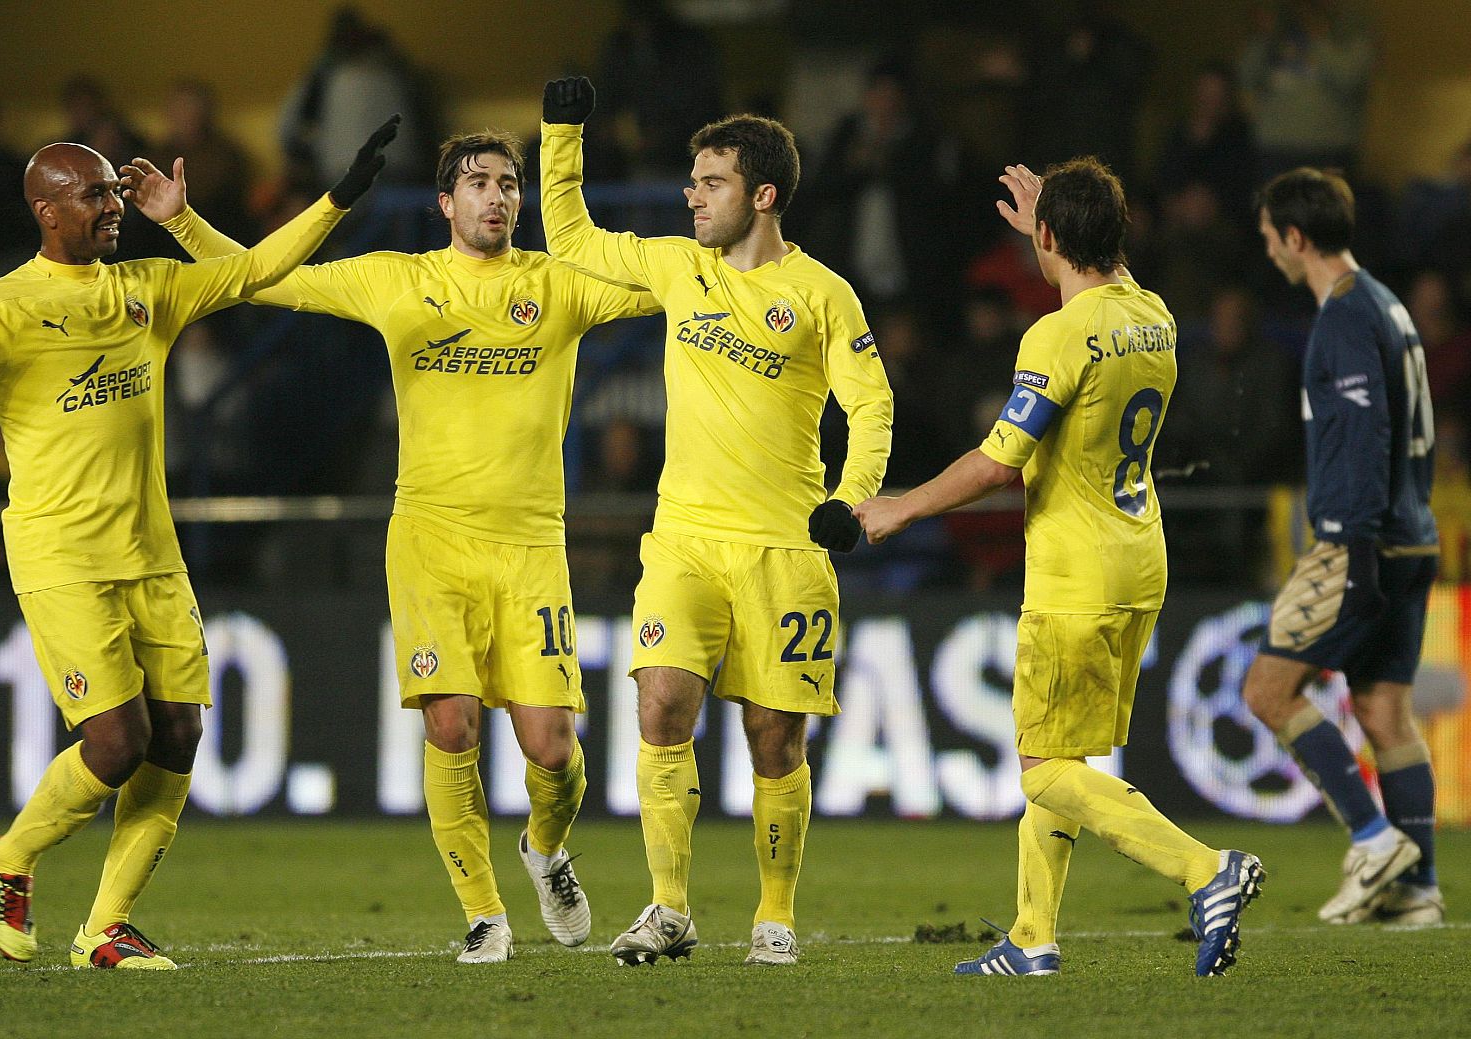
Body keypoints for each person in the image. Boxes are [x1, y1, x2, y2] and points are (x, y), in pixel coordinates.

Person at [124, 130, 660, 964]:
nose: (497, 197)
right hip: (430, 541)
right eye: (478, 183)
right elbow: (269, 280)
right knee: (452, 726)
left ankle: (545, 850)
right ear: (445, 203)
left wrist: (734, 236)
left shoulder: (560, 286)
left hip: (530, 548)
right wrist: (184, 220)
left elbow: (669, 286)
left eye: (509, 184)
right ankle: (484, 914)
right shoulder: (398, 279)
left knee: (552, 747)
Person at [0, 119, 399, 968]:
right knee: (116, 745)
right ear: (48, 211)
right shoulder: (3, 307)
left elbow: (252, 271)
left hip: (153, 556)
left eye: (115, 190)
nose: (114, 204)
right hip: (62, 557)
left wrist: (338, 199)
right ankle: (9, 857)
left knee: (178, 737)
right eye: (95, 193)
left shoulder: (146, 288)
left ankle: (105, 927)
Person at [854, 159, 1264, 978]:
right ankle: (1032, 935)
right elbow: (1107, 272)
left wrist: (899, 506)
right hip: (1141, 562)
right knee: (1064, 761)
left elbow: (1001, 463)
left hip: (1075, 575)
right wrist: (1065, 219)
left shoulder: (1055, 334)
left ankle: (1205, 870)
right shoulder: (1154, 314)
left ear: (1046, 238)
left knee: (1043, 773)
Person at [540, 77, 894, 967]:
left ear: (763, 194)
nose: (691, 196)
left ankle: (774, 916)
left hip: (785, 549)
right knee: (659, 702)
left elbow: (872, 403)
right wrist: (560, 132)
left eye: (711, 182)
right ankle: (668, 908)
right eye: (692, 182)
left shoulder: (822, 294)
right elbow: (573, 236)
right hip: (684, 540)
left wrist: (849, 500)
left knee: (775, 738)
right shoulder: (676, 266)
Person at [1240, 167, 1442, 925]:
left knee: (1266, 689)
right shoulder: (1388, 306)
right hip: (1414, 537)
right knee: (1384, 706)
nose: (1269, 254)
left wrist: (1352, 551)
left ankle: (1372, 836)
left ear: (1296, 237)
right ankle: (1418, 890)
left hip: (1361, 539)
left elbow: (1363, 434)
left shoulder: (1346, 318)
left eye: (1270, 239)